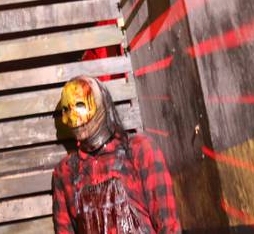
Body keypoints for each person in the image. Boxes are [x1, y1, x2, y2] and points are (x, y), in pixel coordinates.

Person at [51, 76, 182, 233]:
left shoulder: (138, 150)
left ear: (102, 105)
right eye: (66, 110)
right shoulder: (65, 172)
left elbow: (168, 224)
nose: (74, 118)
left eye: (81, 105)